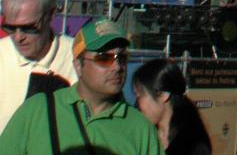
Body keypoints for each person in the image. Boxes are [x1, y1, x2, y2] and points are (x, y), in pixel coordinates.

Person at [0, 17, 163, 155]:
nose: (117, 67)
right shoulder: (38, 110)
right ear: (78, 65)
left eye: (122, 57)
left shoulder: (141, 129)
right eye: (104, 58)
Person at [0, 0, 76, 134]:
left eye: (28, 27)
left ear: (51, 15)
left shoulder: (79, 58)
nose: (18, 37)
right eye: (10, 28)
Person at [133, 57, 212, 155]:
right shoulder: (144, 135)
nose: (136, 104)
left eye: (140, 96)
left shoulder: (194, 144)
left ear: (163, 95)